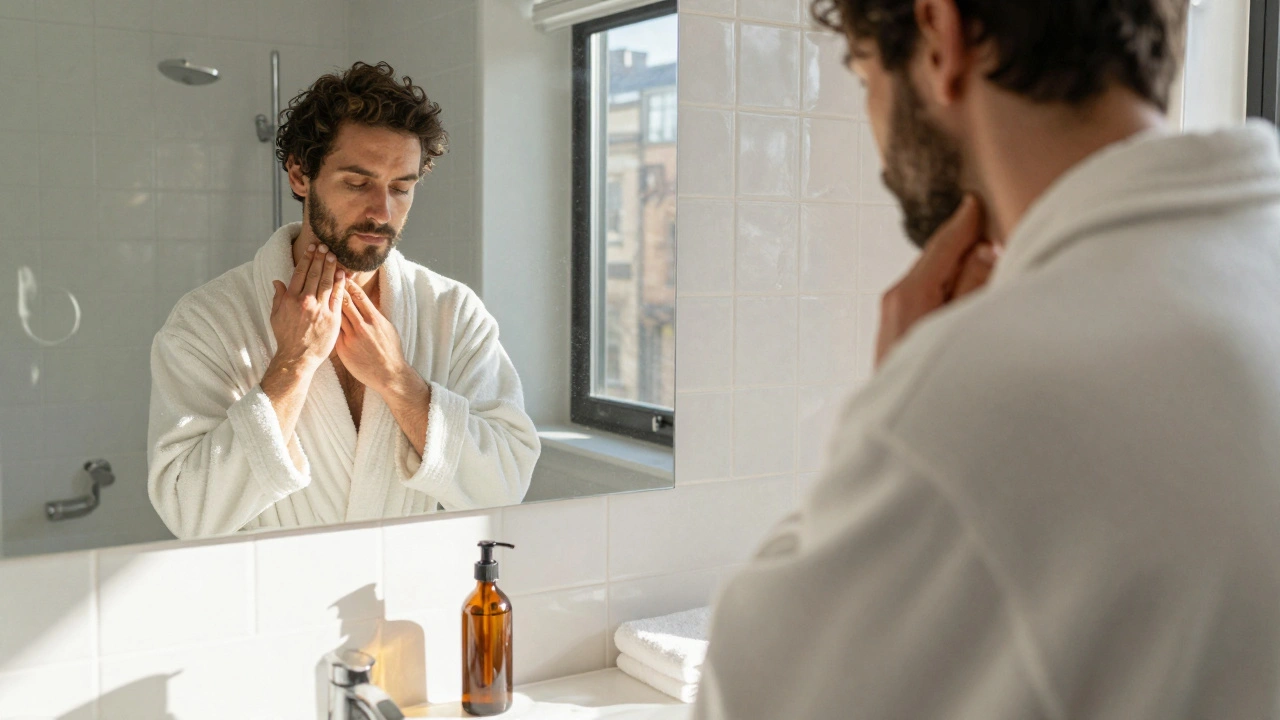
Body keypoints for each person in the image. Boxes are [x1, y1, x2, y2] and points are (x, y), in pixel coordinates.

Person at [695, 1, 1280, 718]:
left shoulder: (977, 401)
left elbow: (749, 702)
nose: (875, 130)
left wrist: (901, 405)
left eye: (864, 73)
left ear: (941, 36)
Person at [147, 62, 540, 540]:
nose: (382, 211)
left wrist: (398, 381)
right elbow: (188, 511)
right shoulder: (207, 321)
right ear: (299, 173)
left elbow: (506, 487)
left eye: (401, 188)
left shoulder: (452, 312)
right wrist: (292, 362)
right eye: (358, 183)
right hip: (274, 608)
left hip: (406, 603)